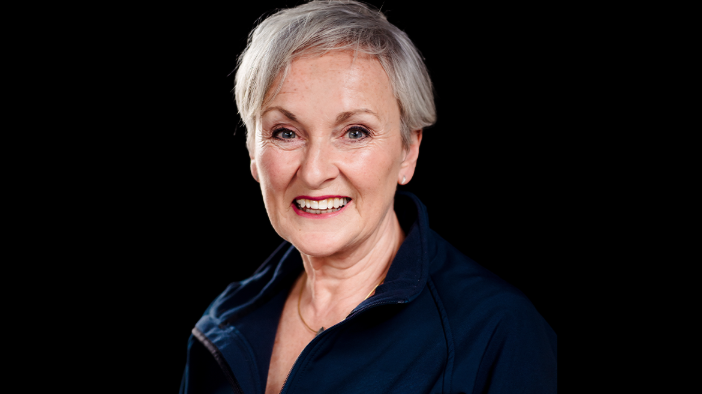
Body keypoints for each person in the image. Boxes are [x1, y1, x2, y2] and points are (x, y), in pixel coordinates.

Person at [180, 1, 557, 393]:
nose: (314, 171)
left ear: (407, 152)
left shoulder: (498, 331)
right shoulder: (221, 326)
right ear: (254, 153)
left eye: (355, 132)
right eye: (285, 133)